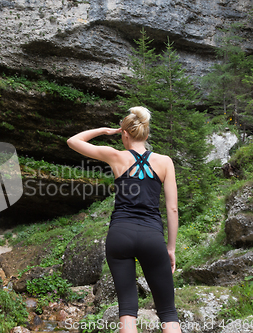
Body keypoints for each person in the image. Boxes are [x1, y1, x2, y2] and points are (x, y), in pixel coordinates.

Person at [66, 106, 181, 333]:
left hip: (120, 235)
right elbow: (173, 208)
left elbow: (73, 141)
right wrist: (171, 247)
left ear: (124, 134)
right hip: (151, 236)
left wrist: (105, 130)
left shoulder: (115, 156)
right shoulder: (165, 162)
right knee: (168, 312)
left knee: (127, 310)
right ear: (146, 135)